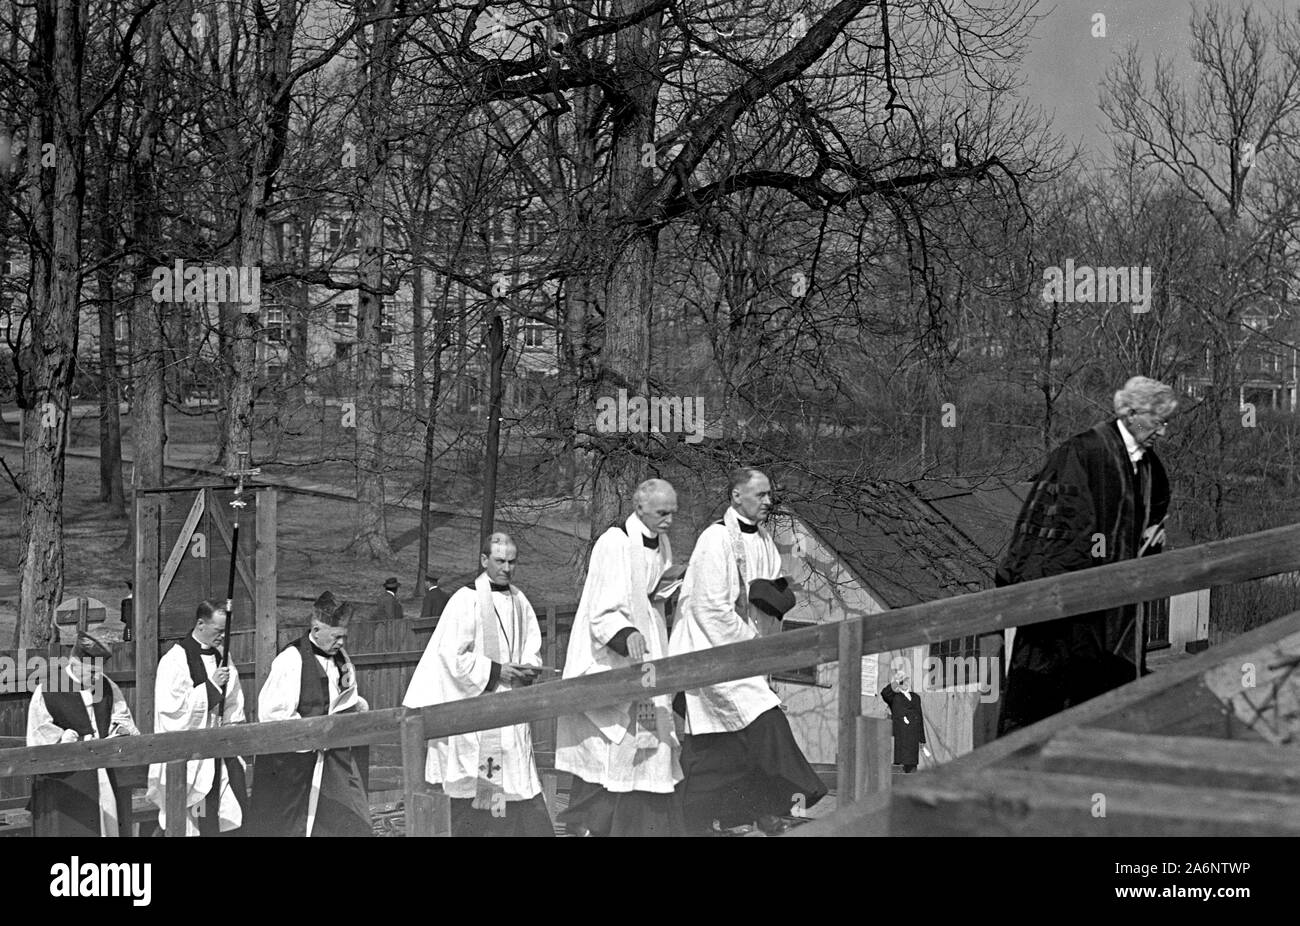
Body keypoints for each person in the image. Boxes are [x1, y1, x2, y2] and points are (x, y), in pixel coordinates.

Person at [996, 376, 1175, 737]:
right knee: (1051, 714)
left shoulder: (1151, 468)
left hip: (1119, 619)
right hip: (1070, 622)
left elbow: (1152, 530)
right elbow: (1054, 541)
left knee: (1106, 716)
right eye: (1159, 421)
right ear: (1131, 412)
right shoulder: (1082, 453)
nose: (1164, 432)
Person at [669, 467, 827, 834]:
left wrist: (776, 599)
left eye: (771, 495)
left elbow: (771, 597)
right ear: (736, 496)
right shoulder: (715, 538)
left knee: (719, 752)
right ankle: (797, 792)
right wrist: (752, 646)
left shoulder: (765, 542)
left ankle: (710, 818)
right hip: (712, 655)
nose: (769, 502)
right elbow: (710, 609)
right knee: (766, 719)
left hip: (747, 658)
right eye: (761, 495)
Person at [556, 479, 688, 836]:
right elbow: (603, 608)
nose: (669, 521)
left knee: (648, 746)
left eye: (673, 513)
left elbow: (649, 591)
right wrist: (627, 633)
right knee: (609, 750)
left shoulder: (661, 542)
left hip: (647, 651)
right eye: (663, 513)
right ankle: (589, 827)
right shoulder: (614, 542)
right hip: (612, 656)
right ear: (639, 507)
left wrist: (667, 588)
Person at [402, 532, 553, 836]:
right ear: (484, 560)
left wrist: (528, 668)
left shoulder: (520, 600)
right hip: (475, 716)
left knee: (517, 791)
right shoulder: (465, 599)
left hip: (509, 712)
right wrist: (497, 671)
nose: (507, 568)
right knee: (475, 803)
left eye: (512, 562)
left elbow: (531, 646)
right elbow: (451, 658)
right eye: (500, 561)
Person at [247, 592, 373, 837]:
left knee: (348, 812)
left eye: (343, 637)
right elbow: (273, 713)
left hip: (332, 757)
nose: (341, 643)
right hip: (294, 761)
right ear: (316, 630)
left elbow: (345, 696)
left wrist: (355, 706)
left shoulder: (341, 659)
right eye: (336, 636)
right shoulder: (291, 660)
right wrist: (312, 737)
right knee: (289, 824)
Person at [146, 600, 247, 836]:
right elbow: (173, 713)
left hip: (220, 753)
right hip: (190, 761)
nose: (223, 637)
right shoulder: (175, 660)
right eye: (218, 631)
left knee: (226, 818)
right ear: (200, 624)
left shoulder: (223, 655)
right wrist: (210, 687)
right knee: (193, 823)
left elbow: (234, 702)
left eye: (226, 631)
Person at [27, 631, 139, 837]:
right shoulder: (49, 689)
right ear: (75, 662)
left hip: (104, 774)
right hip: (66, 783)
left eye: (99, 671)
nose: (97, 677)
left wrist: (120, 731)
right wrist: (65, 739)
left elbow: (122, 718)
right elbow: (38, 735)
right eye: (92, 672)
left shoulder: (107, 686)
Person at [880, 662, 930, 773]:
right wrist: (896, 681)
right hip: (901, 737)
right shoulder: (894, 697)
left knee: (912, 766)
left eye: (907, 680)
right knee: (900, 766)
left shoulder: (916, 697)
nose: (905, 683)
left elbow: (920, 718)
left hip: (913, 738)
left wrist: (922, 739)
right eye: (902, 681)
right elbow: (884, 693)